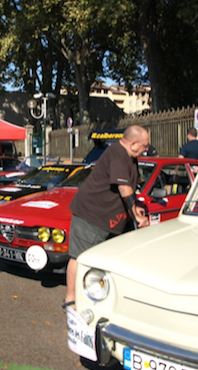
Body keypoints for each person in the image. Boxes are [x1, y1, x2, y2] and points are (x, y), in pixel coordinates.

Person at [64, 125, 149, 310]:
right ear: (133, 143)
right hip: (91, 214)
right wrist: (135, 213)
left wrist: (137, 206)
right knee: (79, 256)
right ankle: (71, 299)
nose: (146, 149)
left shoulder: (130, 156)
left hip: (109, 217)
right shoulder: (117, 153)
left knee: (108, 258)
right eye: (144, 145)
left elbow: (132, 188)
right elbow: (123, 187)